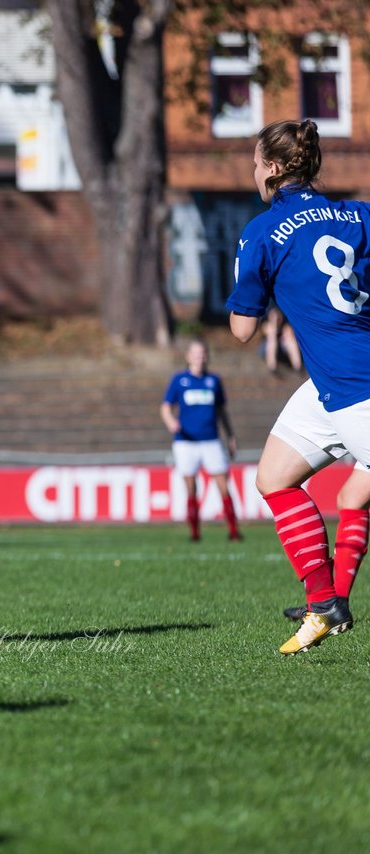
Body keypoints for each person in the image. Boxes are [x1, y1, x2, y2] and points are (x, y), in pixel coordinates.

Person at [227, 118, 370, 656]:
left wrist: (255, 284)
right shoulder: (359, 214)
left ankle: (328, 604)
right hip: (334, 383)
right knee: (274, 477)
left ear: (273, 168)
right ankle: (325, 603)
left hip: (357, 386)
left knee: (356, 492)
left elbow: (242, 330)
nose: (252, 167)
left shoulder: (262, 231)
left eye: (256, 159)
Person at [159, 339, 242, 543]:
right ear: (188, 356)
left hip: (211, 441)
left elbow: (222, 412)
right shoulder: (179, 380)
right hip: (186, 442)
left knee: (223, 485)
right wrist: (171, 422)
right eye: (195, 353)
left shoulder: (214, 380)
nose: (199, 356)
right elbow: (165, 407)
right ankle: (195, 533)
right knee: (191, 488)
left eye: (203, 352)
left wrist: (230, 436)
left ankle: (233, 531)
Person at [261, 304, 303, 375]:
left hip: (284, 346)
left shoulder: (286, 324)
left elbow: (290, 333)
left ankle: (297, 366)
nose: (277, 320)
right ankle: (272, 366)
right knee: (271, 334)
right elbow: (264, 330)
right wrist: (274, 329)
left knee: (289, 336)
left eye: (278, 318)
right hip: (267, 347)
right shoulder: (266, 323)